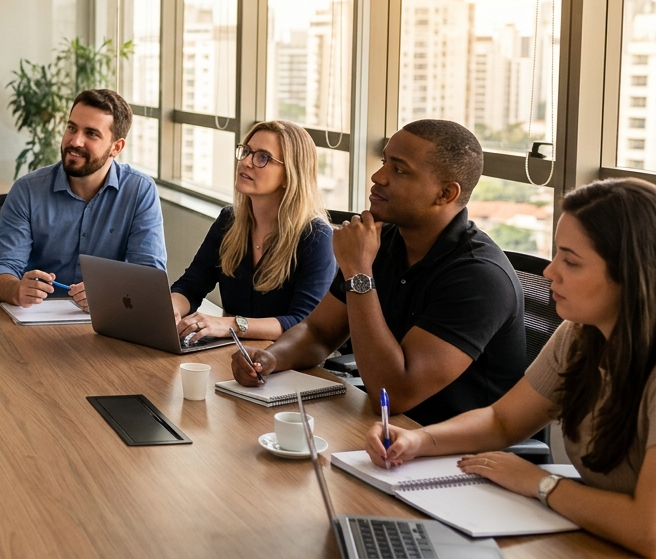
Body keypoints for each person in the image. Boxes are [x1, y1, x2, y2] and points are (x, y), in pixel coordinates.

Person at [365, 178, 656, 557]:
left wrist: (541, 483)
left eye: (571, 261)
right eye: (556, 254)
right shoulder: (581, 335)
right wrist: (419, 441)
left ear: (632, 275)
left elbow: (649, 531)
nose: (550, 272)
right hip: (593, 537)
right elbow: (502, 420)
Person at [231, 119, 526, 425]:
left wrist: (358, 272)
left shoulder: (479, 277)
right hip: (386, 430)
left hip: (452, 444)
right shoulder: (383, 241)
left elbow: (395, 394)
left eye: (398, 170)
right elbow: (318, 332)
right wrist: (272, 357)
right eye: (385, 162)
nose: (377, 176)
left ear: (445, 194)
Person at [0, 89, 165, 311]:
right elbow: (0, 270)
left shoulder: (139, 191)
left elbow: (150, 275)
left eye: (91, 134)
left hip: (108, 319)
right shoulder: (27, 190)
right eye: (72, 128)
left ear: (116, 147)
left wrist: (109, 293)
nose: (75, 141)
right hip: (36, 318)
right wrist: (16, 289)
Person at [170, 121, 336, 343]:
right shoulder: (229, 220)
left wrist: (230, 325)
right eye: (246, 151)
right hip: (232, 351)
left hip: (285, 357)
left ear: (289, 176)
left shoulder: (316, 237)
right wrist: (171, 308)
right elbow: (191, 285)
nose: (246, 162)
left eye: (263, 157)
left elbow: (302, 323)